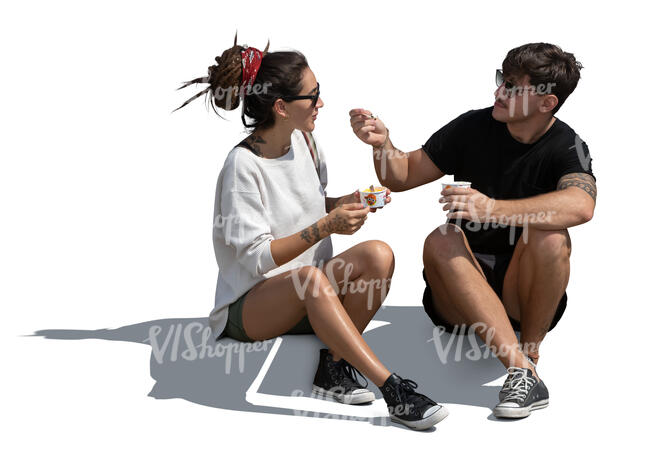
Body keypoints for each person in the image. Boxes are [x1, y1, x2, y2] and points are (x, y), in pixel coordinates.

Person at [175, 35, 448, 430]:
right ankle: (394, 390)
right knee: (310, 279)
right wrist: (326, 226)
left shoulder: (305, 141)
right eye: (312, 95)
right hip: (251, 308)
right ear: (281, 107)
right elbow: (257, 257)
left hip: (312, 294)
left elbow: (308, 204)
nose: (321, 103)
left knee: (378, 254)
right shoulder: (242, 167)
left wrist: (347, 202)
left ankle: (332, 368)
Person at [350, 42, 596, 419]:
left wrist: (492, 209)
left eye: (513, 86)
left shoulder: (567, 145)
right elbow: (401, 176)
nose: (499, 91)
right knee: (441, 237)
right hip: (458, 298)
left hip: (524, 298)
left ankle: (529, 353)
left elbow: (581, 206)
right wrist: (383, 144)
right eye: (502, 80)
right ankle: (522, 371)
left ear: (547, 103)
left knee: (552, 235)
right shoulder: (473, 126)